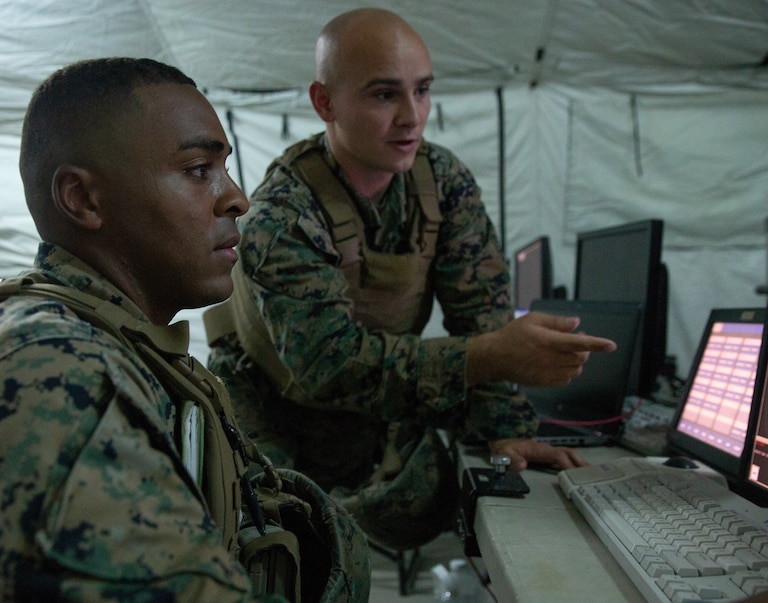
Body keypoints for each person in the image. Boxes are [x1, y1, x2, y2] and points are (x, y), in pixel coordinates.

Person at [206, 8, 616, 551]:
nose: (412, 117)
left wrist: (508, 427)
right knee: (286, 550)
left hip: (373, 401)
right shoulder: (281, 215)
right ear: (324, 102)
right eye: (384, 95)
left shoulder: (441, 182)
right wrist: (487, 356)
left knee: (432, 506)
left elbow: (482, 312)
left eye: (422, 91)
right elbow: (326, 367)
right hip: (272, 409)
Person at [0, 57, 369, 602]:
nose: (237, 198)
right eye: (199, 170)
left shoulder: (130, 348)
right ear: (82, 199)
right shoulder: (57, 367)